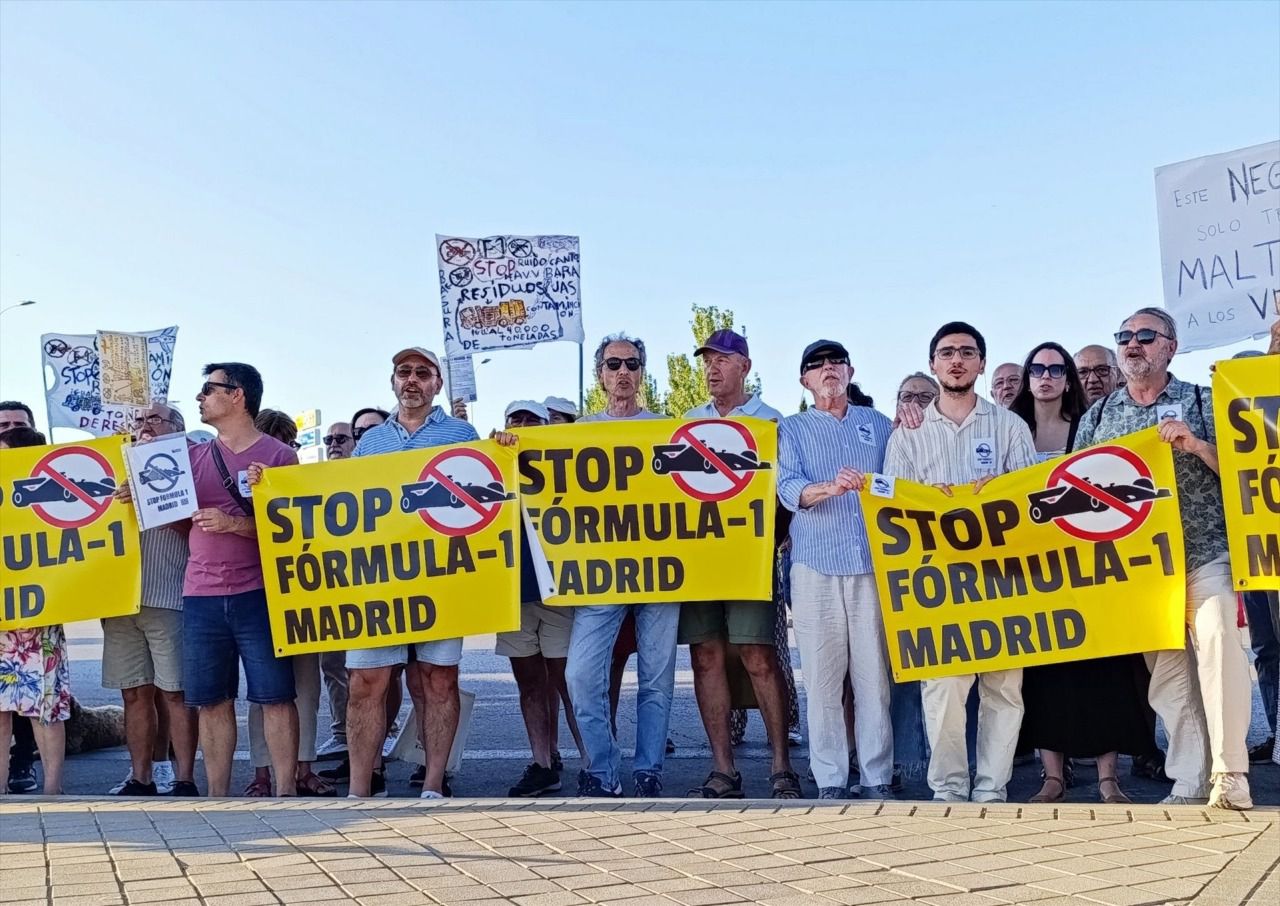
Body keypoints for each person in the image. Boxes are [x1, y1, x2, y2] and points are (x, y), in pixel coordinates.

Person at [1073, 307, 1253, 810]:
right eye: (1125, 336)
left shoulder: (1202, 400)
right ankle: (1190, 779)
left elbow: (1245, 471)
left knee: (1220, 650)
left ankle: (1231, 773)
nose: (1133, 344)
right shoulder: (1099, 417)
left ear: (1170, 346)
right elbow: (1074, 492)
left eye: (1146, 336)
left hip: (1205, 553)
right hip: (1141, 570)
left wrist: (1196, 445)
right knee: (1169, 680)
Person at [884, 322, 1037, 803]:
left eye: (967, 352)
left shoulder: (1009, 427)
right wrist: (932, 501)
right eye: (946, 353)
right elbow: (895, 510)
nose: (956, 360)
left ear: (981, 363)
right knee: (944, 687)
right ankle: (948, 788)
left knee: (1004, 688)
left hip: (1002, 575)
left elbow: (1031, 497)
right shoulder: (908, 435)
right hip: (939, 580)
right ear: (933, 364)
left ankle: (993, 786)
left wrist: (993, 495)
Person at [1009, 343, 1154, 804]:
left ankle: (1109, 779)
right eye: (1038, 368)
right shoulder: (1012, 431)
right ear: (1028, 377)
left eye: (1057, 368)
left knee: (1103, 668)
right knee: (1044, 673)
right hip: (1032, 571)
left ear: (1068, 379)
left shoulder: (1090, 426)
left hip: (1091, 566)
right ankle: (1053, 777)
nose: (1047, 376)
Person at [339, 348, 478, 799]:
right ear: (392, 382)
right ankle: (360, 791)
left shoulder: (462, 434)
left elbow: (488, 495)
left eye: (423, 373)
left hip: (444, 574)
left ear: (437, 383)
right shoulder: (370, 442)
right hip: (381, 578)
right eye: (404, 372)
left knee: (439, 679)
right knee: (366, 681)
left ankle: (434, 784)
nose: (412, 380)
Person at [679, 329, 800, 799]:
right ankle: (723, 769)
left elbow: (785, 493)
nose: (712, 368)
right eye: (707, 360)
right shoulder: (687, 422)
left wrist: (775, 541)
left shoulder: (772, 422)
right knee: (705, 657)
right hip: (699, 561)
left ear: (744, 367)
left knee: (758, 657)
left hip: (750, 558)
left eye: (723, 359)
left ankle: (781, 766)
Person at [778, 339, 895, 800]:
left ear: (850, 371)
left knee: (873, 678)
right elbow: (786, 487)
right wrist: (828, 488)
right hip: (815, 567)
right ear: (805, 380)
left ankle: (876, 776)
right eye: (817, 365)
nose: (828, 369)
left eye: (836, 362)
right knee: (824, 679)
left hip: (871, 565)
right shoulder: (792, 428)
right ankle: (829, 778)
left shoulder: (879, 424)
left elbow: (901, 480)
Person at [565, 334, 677, 798]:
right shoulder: (577, 433)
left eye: (632, 363)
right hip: (601, 574)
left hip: (659, 570)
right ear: (601, 375)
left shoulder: (667, 429)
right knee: (580, 673)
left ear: (641, 372)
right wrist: (512, 444)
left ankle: (648, 768)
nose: (623, 372)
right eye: (614, 364)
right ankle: (603, 767)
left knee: (657, 677)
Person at [181, 364, 300, 797]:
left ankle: (286, 794)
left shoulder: (280, 457)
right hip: (200, 595)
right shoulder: (191, 459)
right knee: (211, 701)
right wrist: (131, 495)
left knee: (274, 696)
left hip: (260, 593)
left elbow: (293, 530)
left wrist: (233, 525)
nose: (199, 397)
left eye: (208, 389)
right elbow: (174, 519)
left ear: (237, 396)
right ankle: (217, 799)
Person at [102, 404, 199, 797]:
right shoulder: (113, 464)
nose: (145, 427)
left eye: (155, 420)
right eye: (139, 421)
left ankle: (185, 779)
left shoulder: (191, 465)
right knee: (133, 691)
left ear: (178, 429)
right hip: (121, 599)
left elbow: (196, 529)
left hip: (170, 595)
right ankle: (140, 777)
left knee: (175, 692)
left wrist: (148, 500)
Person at [242, 409, 331, 797]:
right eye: (277, 441)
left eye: (289, 443)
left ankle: (303, 767)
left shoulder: (301, 474)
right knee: (264, 691)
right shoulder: (241, 477)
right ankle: (263, 771)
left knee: (306, 688)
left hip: (300, 591)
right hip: (256, 590)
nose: (284, 450)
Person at [496, 400, 584, 796]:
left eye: (533, 420)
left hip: (559, 588)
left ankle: (592, 762)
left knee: (570, 683)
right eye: (517, 419)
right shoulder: (493, 461)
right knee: (530, 683)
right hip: (513, 591)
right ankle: (542, 763)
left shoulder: (560, 462)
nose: (524, 426)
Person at [316, 406, 390, 766]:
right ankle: (342, 734)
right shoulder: (315, 479)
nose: (333, 444)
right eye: (328, 439)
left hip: (371, 589)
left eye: (341, 438)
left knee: (374, 672)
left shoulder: (376, 474)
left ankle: (384, 736)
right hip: (331, 590)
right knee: (333, 666)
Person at [0, 426, 69, 796]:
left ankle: (54, 789)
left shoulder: (55, 496)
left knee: (44, 707)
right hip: (2, 618)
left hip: (39, 618)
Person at [0, 401, 40, 794]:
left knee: (32, 698)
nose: (10, 431)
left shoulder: (51, 476)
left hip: (39, 602)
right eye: (3, 426)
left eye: (18, 426)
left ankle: (24, 761)